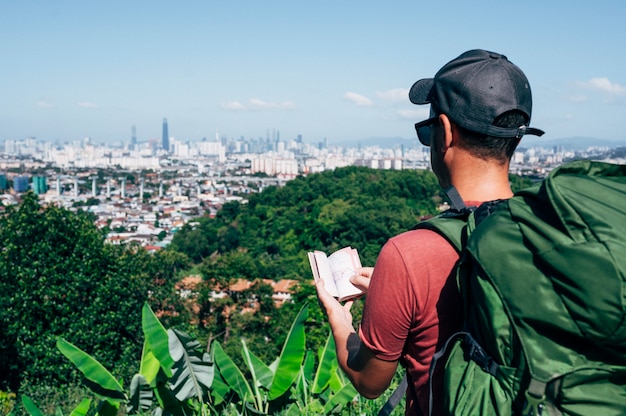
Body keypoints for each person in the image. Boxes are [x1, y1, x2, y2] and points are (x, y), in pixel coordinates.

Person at [315, 49, 544, 415]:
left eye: (428, 130)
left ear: (446, 132)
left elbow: (370, 381)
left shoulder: (410, 255)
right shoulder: (552, 233)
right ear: (516, 140)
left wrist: (340, 322)